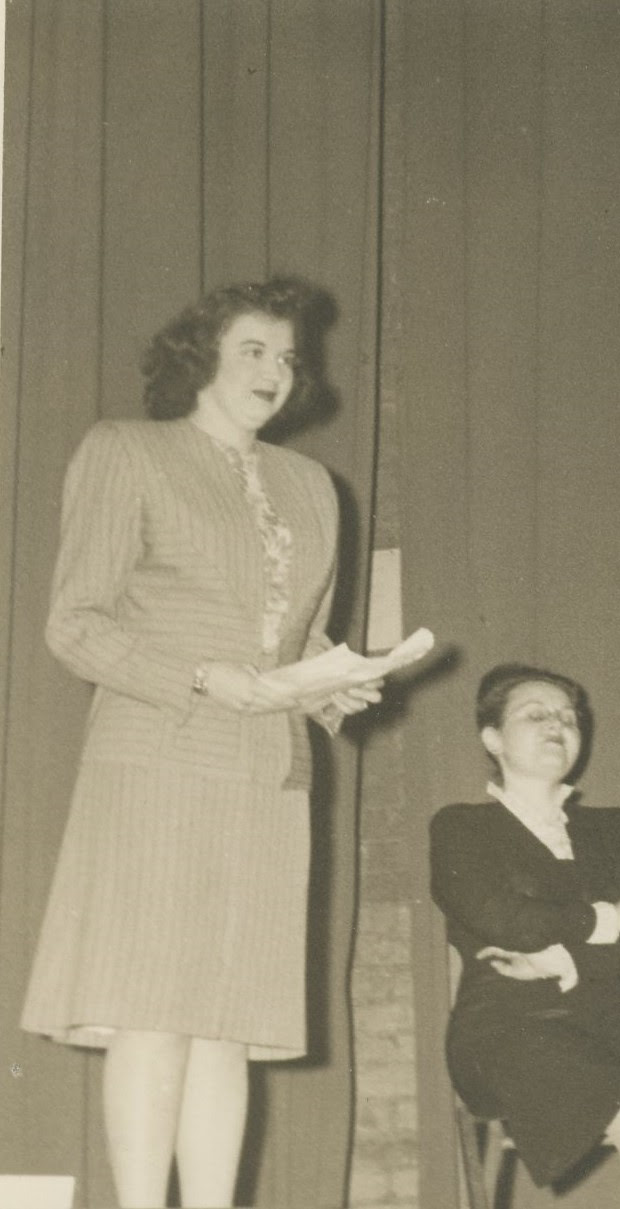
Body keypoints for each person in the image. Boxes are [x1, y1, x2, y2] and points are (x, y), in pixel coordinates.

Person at [19, 279, 377, 1208]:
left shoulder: (312, 488)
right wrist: (199, 677)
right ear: (200, 356)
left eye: (289, 356)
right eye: (254, 348)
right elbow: (75, 624)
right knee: (152, 1009)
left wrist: (342, 686)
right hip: (156, 760)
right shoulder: (127, 451)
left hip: (269, 775)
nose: (276, 370)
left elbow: (299, 649)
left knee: (226, 1025)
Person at [430, 664, 620, 1205]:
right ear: (493, 739)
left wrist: (560, 961)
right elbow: (499, 917)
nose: (557, 726)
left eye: (568, 718)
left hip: (611, 1021)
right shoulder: (461, 827)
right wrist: (609, 918)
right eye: (535, 715)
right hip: (507, 1028)